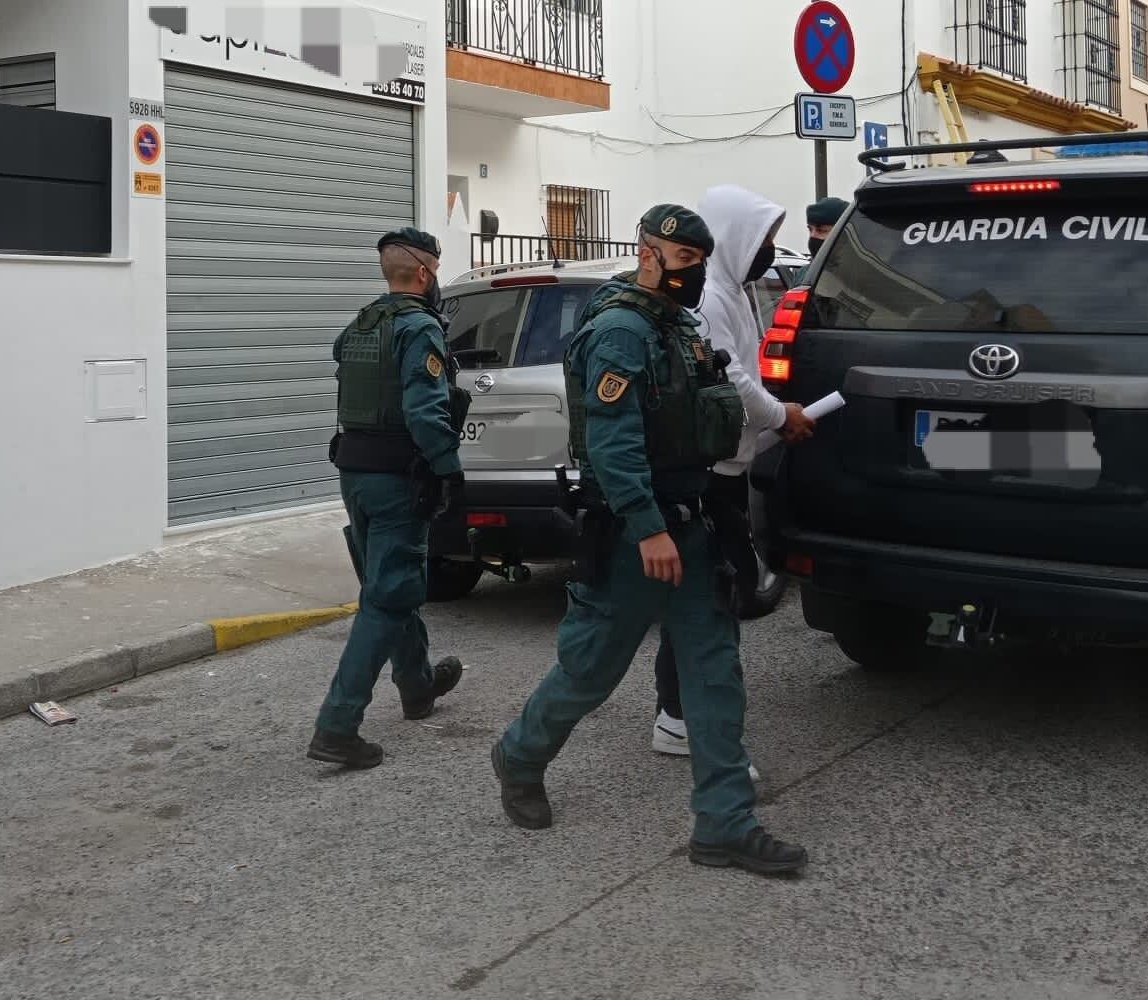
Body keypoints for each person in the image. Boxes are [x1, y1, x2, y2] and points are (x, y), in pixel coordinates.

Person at [491, 204, 808, 877]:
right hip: (636, 536)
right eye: (681, 262)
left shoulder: (678, 330)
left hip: (690, 528)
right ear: (648, 254)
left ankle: (723, 823)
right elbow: (613, 444)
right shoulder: (620, 334)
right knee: (590, 673)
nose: (690, 275)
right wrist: (648, 528)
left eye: (699, 262)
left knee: (713, 671)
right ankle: (519, 755)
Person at [651, 186, 815, 766]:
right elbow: (734, 383)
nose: (768, 249)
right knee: (713, 594)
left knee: (710, 593)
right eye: (764, 238)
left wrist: (777, 419)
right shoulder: (712, 298)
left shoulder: (734, 291)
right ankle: (681, 716)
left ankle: (683, 712)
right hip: (709, 475)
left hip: (727, 465)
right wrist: (781, 416)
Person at [308, 227, 468, 769]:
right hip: (398, 477)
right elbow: (426, 412)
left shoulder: (360, 324)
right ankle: (337, 725)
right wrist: (448, 470)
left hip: (354, 472)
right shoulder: (418, 328)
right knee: (385, 596)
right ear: (424, 273)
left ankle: (417, 685)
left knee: (390, 584)